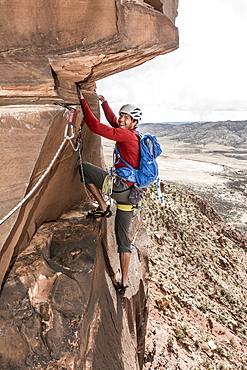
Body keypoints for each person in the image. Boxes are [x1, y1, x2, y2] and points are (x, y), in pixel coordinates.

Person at [78, 89, 142, 296]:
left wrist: (82, 102)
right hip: (131, 195)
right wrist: (105, 104)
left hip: (119, 188)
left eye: (126, 118)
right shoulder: (135, 136)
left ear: (133, 122)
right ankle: (124, 282)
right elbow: (114, 122)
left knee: (85, 168)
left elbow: (96, 127)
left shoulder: (125, 135)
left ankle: (103, 206)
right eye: (122, 116)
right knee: (123, 239)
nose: (122, 120)